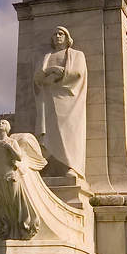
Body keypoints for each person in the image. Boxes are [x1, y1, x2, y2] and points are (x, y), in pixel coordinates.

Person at [33, 26, 88, 179]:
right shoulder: (46, 57)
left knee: (70, 132)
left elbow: (78, 73)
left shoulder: (77, 55)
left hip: (70, 100)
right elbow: (37, 77)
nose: (58, 36)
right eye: (55, 34)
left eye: (61, 33)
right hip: (48, 99)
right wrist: (48, 74)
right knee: (50, 134)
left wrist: (59, 72)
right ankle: (50, 167)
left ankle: (73, 166)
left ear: (67, 37)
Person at [0, 119, 48, 240]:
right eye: (0, 123)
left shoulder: (12, 142)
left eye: (4, 123)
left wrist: (9, 147)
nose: (1, 124)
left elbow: (19, 156)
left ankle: (23, 226)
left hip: (10, 175)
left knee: (15, 201)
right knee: (3, 203)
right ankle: (8, 229)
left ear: (7, 127)